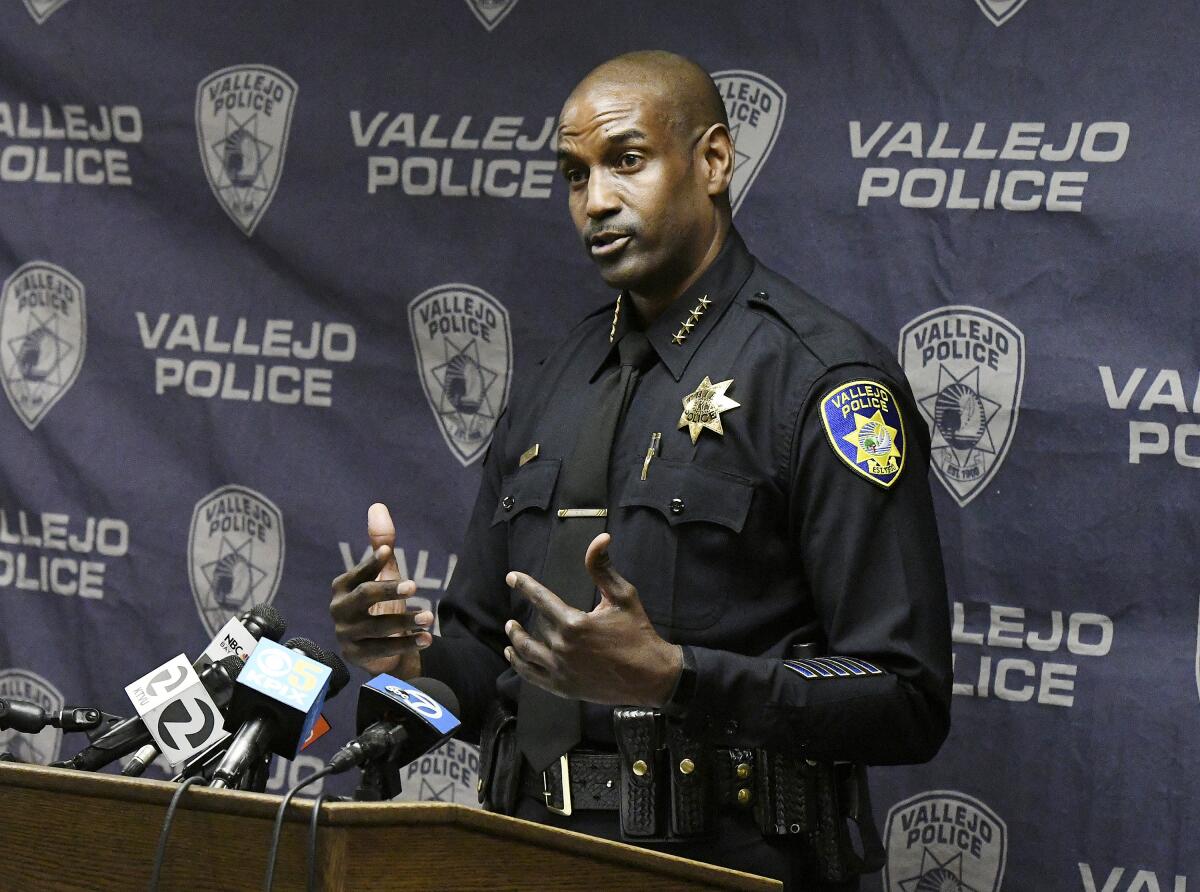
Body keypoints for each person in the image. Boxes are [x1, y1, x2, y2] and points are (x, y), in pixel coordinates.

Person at [330, 50, 951, 890]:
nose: (597, 201)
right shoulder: (553, 381)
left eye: (626, 161)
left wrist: (677, 679)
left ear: (715, 162)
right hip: (514, 856)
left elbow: (902, 692)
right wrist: (410, 669)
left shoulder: (823, 383)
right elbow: (484, 660)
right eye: (574, 175)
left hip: (723, 868)